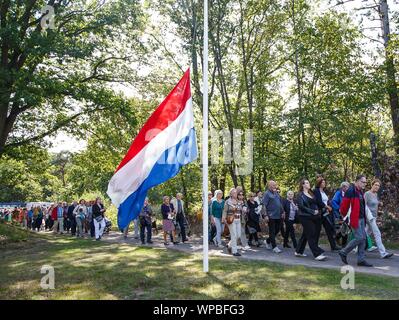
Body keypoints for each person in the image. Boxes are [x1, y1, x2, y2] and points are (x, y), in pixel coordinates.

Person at [338, 175, 373, 267]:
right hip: (355, 219)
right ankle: (343, 251)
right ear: (357, 181)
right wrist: (344, 216)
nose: (364, 184)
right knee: (359, 237)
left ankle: (361, 260)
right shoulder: (351, 190)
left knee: (363, 238)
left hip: (361, 218)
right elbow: (344, 205)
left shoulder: (360, 191)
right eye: (363, 182)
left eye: (365, 182)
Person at [295, 179, 327, 261]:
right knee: (311, 233)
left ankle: (298, 251)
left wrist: (320, 211)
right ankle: (317, 254)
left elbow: (315, 203)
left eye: (308, 182)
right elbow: (302, 207)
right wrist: (312, 211)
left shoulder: (311, 193)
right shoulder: (300, 195)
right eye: (306, 183)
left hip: (313, 216)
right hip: (304, 216)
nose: (308, 184)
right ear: (302, 185)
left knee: (305, 234)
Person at [364, 179, 393, 259]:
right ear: (372, 185)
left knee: (365, 233)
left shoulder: (375, 194)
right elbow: (363, 205)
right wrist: (367, 217)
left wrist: (379, 203)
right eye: (375, 185)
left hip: (374, 217)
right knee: (377, 233)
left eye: (378, 185)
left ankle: (356, 248)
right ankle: (383, 253)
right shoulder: (367, 194)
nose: (377, 187)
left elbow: (374, 204)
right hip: (369, 217)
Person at [313, 177, 340, 251]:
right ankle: (315, 247)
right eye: (322, 182)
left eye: (324, 182)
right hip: (320, 213)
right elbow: (318, 201)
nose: (324, 183)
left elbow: (326, 201)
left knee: (329, 229)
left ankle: (333, 246)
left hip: (326, 213)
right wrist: (326, 206)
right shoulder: (316, 191)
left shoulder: (324, 191)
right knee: (317, 230)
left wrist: (329, 205)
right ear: (319, 183)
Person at [263, 180, 284, 253]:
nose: (275, 186)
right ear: (269, 186)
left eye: (275, 185)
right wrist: (265, 215)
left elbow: (279, 203)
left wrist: (283, 212)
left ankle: (268, 241)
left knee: (277, 229)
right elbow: (264, 205)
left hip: (278, 215)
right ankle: (274, 247)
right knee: (272, 231)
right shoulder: (266, 194)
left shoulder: (276, 193)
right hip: (271, 215)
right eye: (273, 185)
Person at [222, 188, 242, 256]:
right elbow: (224, 210)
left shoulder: (239, 201)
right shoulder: (228, 201)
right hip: (231, 220)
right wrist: (223, 218)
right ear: (230, 194)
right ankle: (234, 251)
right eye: (233, 193)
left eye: (236, 193)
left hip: (238, 219)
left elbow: (240, 209)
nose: (235, 194)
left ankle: (229, 245)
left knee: (238, 235)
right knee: (234, 235)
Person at [332, 182, 350, 246]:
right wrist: (339, 208)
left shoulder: (349, 194)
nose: (348, 188)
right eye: (346, 187)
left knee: (346, 227)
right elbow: (333, 202)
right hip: (340, 214)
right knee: (344, 227)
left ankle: (337, 237)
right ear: (343, 187)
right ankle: (344, 244)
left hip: (347, 213)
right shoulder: (338, 193)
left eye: (348, 187)